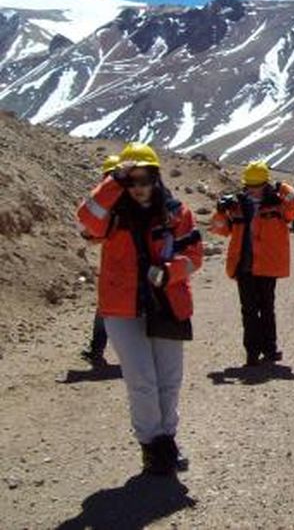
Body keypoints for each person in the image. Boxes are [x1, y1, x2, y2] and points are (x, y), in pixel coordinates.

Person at [76, 142, 202, 475]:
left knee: (169, 379)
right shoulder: (112, 215)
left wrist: (169, 272)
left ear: (156, 178)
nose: (139, 188)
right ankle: (152, 444)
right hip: (121, 308)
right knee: (141, 379)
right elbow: (85, 218)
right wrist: (113, 182)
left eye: (145, 180)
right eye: (131, 181)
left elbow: (194, 256)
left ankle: (168, 438)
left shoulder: (177, 212)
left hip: (167, 304)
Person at [210, 160, 294, 366]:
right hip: (244, 265)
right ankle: (252, 352)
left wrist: (283, 187)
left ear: (266, 184)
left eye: (258, 186)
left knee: (267, 307)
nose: (253, 191)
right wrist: (219, 211)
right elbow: (220, 229)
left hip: (267, 266)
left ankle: (270, 349)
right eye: (250, 186)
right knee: (249, 310)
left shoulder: (278, 203)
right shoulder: (236, 204)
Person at [79, 153, 120, 368]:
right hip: (118, 263)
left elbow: (91, 232)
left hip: (116, 263)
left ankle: (97, 350)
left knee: (105, 308)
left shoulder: (108, 202)